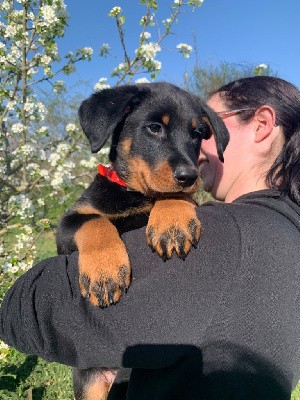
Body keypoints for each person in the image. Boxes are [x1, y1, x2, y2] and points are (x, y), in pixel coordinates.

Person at [1, 76, 300, 400]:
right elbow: (71, 226)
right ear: (116, 127)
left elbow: (24, 309)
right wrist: (97, 237)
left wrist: (176, 201)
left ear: (262, 125)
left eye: (198, 134)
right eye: (155, 128)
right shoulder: (286, 232)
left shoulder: (230, 231)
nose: (189, 159)